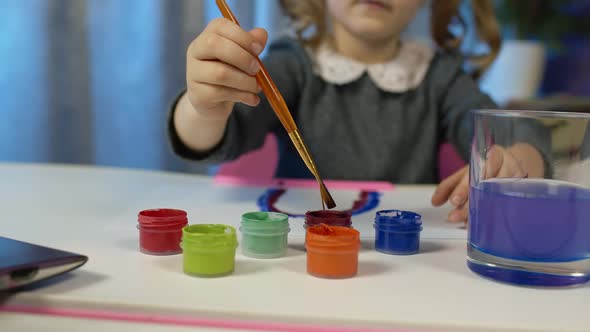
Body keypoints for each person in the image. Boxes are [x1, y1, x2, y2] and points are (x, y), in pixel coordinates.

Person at [168, 0, 546, 223]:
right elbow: (220, 136)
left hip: (408, 269)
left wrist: (515, 159)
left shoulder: (440, 78)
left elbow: (512, 134)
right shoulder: (293, 66)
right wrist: (204, 107)